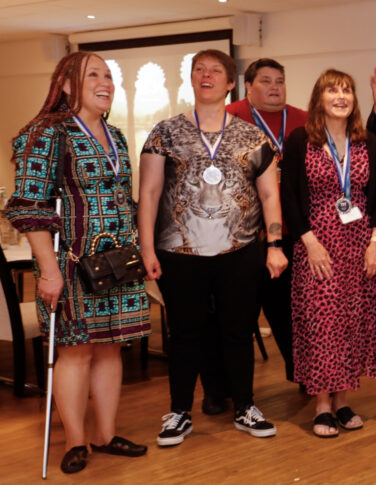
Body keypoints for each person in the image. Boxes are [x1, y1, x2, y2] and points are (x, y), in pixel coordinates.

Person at [7, 51, 150, 473]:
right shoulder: (47, 133)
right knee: (76, 352)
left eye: (109, 76)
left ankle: (105, 435)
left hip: (119, 261)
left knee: (109, 349)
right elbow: (28, 207)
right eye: (94, 75)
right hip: (70, 264)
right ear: (67, 84)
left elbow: (122, 197)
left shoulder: (116, 136)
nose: (105, 82)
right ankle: (76, 441)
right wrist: (48, 271)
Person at [138, 49, 287, 446]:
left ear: (230, 83)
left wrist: (274, 244)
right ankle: (179, 411)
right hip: (178, 252)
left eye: (215, 70)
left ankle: (245, 406)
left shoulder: (253, 137)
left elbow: (270, 194)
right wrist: (147, 248)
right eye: (199, 70)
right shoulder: (164, 133)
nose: (206, 75)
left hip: (239, 252)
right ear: (191, 79)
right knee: (186, 334)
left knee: (238, 331)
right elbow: (149, 193)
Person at [280, 69, 376, 438]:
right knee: (322, 323)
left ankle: (343, 401)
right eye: (333, 90)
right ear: (319, 98)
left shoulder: (368, 141)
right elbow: (290, 198)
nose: (341, 96)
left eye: (347, 90)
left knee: (351, 322)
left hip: (361, 245)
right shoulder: (301, 139)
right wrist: (310, 243)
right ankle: (322, 406)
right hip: (317, 245)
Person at [222, 57, 308, 399]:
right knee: (234, 317)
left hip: (288, 234)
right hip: (238, 238)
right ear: (248, 86)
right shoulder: (228, 118)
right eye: (267, 81)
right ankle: (228, 389)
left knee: (290, 312)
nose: (275, 88)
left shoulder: (303, 120)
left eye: (280, 81)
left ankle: (303, 376)